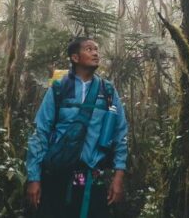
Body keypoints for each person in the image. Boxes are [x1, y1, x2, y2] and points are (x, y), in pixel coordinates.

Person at [26, 37, 129, 217]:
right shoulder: (59, 89)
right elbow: (40, 133)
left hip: (92, 178)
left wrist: (118, 177)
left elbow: (120, 133)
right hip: (56, 177)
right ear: (75, 57)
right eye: (89, 49)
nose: (96, 53)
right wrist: (34, 178)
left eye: (97, 49)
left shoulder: (108, 91)